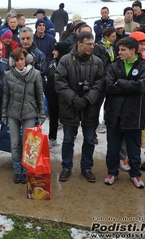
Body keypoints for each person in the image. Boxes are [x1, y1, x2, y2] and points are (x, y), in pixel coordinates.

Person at [54, 31, 105, 183]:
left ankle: (87, 167)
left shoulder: (97, 62)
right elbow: (60, 83)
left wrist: (88, 99)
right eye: (89, 44)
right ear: (79, 44)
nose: (92, 46)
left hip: (90, 107)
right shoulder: (65, 60)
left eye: (92, 43)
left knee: (89, 139)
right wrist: (75, 99)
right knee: (68, 139)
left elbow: (100, 83)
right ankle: (67, 167)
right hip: (70, 106)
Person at [104, 37, 145, 188]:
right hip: (115, 112)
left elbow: (141, 87)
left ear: (133, 50)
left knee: (133, 148)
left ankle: (135, 175)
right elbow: (109, 85)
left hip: (134, 113)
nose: (120, 52)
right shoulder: (115, 65)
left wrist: (121, 83)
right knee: (113, 147)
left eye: (123, 50)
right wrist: (129, 87)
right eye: (119, 49)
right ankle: (112, 172)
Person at [2, 47, 46, 184]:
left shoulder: (36, 74)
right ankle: (17, 169)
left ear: (26, 60)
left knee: (28, 144)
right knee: (15, 143)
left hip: (30, 113)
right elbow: (6, 96)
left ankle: (27, 169)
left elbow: (39, 95)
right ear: (13, 62)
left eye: (21, 59)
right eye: (17, 60)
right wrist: (4, 114)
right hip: (13, 113)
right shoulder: (8, 75)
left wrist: (42, 114)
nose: (19, 62)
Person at [44, 41, 70, 149]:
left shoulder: (68, 65)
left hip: (65, 99)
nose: (53, 52)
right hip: (52, 98)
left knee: (66, 121)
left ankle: (68, 140)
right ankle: (52, 138)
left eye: (56, 50)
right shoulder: (52, 63)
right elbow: (46, 76)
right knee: (53, 119)